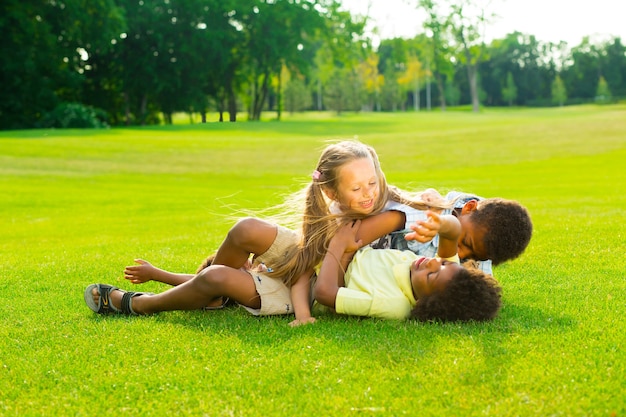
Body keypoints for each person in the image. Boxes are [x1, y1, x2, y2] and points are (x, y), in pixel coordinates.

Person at [85, 140, 445, 326]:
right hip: (306, 266)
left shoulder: (386, 205)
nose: (367, 194)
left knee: (218, 277)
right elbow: (304, 260)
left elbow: (307, 277)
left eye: (372, 182)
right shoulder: (328, 213)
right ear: (332, 193)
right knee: (246, 229)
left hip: (312, 288)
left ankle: (141, 304)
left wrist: (302, 315)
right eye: (356, 188)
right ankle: (207, 295)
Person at [313, 213, 502, 322]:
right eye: (444, 263)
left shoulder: (392, 304)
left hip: (321, 271)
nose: (433, 262)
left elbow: (325, 293)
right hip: (342, 251)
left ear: (423, 302)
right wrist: (440, 224)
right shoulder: (442, 275)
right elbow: (453, 231)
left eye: (431, 276)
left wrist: (339, 247)